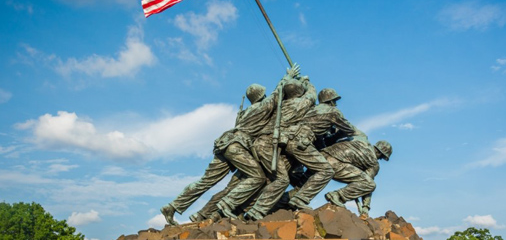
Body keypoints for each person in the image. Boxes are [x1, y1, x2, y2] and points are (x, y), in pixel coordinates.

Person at [160, 66, 299, 225]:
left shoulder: (246, 112)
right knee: (258, 177)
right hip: (236, 145)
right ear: (261, 96)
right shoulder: (261, 108)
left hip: (225, 144)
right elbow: (276, 96)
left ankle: (173, 206)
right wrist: (287, 78)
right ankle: (227, 204)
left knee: (205, 181)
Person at [245, 76, 335, 220]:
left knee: (275, 179)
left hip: (266, 144)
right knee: (282, 179)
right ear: (300, 92)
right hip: (270, 144)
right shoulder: (301, 104)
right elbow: (312, 94)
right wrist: (307, 81)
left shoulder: (278, 106)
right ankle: (257, 211)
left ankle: (256, 209)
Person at [321, 132, 392, 217]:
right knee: (370, 184)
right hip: (335, 164)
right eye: (382, 157)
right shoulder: (374, 163)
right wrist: (366, 207)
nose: (380, 159)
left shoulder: (361, 139)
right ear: (380, 153)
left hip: (321, 155)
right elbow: (367, 184)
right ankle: (337, 195)